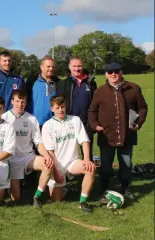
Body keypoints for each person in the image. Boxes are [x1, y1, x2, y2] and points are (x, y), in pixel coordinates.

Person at [88, 63, 148, 201]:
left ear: (121, 72)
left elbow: (143, 108)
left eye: (116, 71)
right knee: (106, 167)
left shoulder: (133, 88)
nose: (113, 74)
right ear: (106, 74)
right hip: (106, 135)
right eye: (110, 72)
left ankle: (126, 188)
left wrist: (138, 123)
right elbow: (92, 111)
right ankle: (103, 190)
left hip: (127, 134)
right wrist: (95, 125)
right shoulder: (100, 91)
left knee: (126, 165)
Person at [41, 95, 95, 213]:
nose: (61, 110)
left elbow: (84, 141)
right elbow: (50, 153)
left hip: (72, 162)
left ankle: (82, 202)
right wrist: (56, 172)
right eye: (57, 107)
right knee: (56, 200)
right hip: (57, 164)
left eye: (63, 107)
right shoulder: (47, 126)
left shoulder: (75, 120)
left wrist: (86, 159)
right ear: (52, 109)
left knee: (90, 169)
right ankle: (66, 188)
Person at [2, 90, 55, 208]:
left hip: (27, 156)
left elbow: (38, 141)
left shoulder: (31, 119)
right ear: (12, 101)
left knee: (48, 165)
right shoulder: (4, 118)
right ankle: (6, 187)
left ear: (26, 103)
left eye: (22, 102)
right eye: (17, 101)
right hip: (11, 158)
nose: (20, 104)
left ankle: (36, 197)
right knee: (16, 198)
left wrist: (46, 155)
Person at [56, 57, 97, 160]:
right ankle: (68, 174)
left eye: (79, 66)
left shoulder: (91, 82)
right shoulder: (63, 83)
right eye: (74, 66)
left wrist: (93, 121)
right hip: (69, 123)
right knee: (67, 152)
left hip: (86, 123)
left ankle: (87, 174)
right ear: (70, 67)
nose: (77, 68)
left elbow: (95, 103)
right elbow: (59, 103)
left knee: (87, 154)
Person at [25, 57, 59, 128]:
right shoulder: (32, 80)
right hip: (34, 123)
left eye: (53, 67)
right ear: (41, 67)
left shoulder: (57, 82)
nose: (51, 69)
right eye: (48, 66)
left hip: (52, 123)